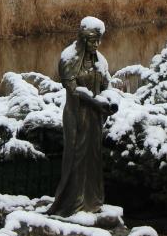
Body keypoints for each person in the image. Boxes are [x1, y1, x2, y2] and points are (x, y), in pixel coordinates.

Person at [47, 17, 118, 217]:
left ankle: (92, 202)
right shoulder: (68, 59)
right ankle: (72, 204)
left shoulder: (100, 61)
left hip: (95, 117)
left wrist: (110, 101)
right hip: (76, 116)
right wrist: (96, 101)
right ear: (83, 39)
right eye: (92, 41)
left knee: (93, 159)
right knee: (76, 158)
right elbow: (74, 90)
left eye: (98, 41)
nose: (96, 45)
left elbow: (107, 86)